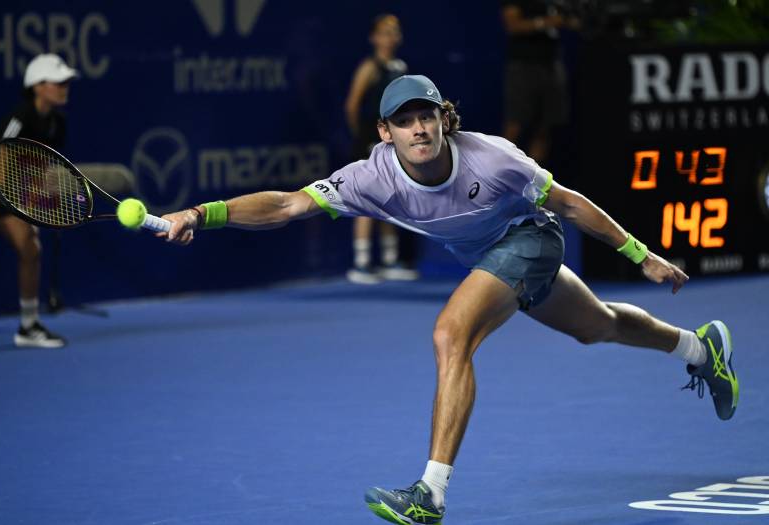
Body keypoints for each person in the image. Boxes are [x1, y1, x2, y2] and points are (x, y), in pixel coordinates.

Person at [159, 75, 738, 524]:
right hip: (489, 262)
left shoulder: (494, 157)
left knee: (449, 333)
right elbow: (285, 206)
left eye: (426, 116)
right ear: (386, 132)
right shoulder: (370, 178)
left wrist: (642, 255)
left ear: (444, 120)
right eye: (404, 121)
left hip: (530, 240)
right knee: (598, 325)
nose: (418, 129)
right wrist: (198, 214)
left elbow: (567, 202)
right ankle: (697, 349)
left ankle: (428, 495)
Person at [0, 54, 73, 357]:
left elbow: (40, 167)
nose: (65, 87)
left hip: (4, 193)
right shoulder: (22, 115)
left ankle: (28, 326)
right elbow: (0, 159)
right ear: (38, 86)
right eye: (58, 82)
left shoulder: (57, 124)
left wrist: (32, 206)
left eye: (67, 81)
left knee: (30, 246)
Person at [343, 13, 418, 284]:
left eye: (394, 31)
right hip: (369, 141)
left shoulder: (401, 66)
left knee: (392, 198)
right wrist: (363, 136)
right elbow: (352, 105)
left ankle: (389, 260)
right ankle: (361, 263)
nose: (390, 37)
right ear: (374, 38)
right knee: (367, 200)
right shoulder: (369, 67)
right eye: (384, 32)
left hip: (392, 141)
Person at [500, 0, 579, 166]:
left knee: (545, 127)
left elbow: (575, 23)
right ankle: (497, 177)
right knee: (516, 124)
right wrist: (546, 22)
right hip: (524, 66)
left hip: (552, 64)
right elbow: (513, 25)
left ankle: (534, 185)